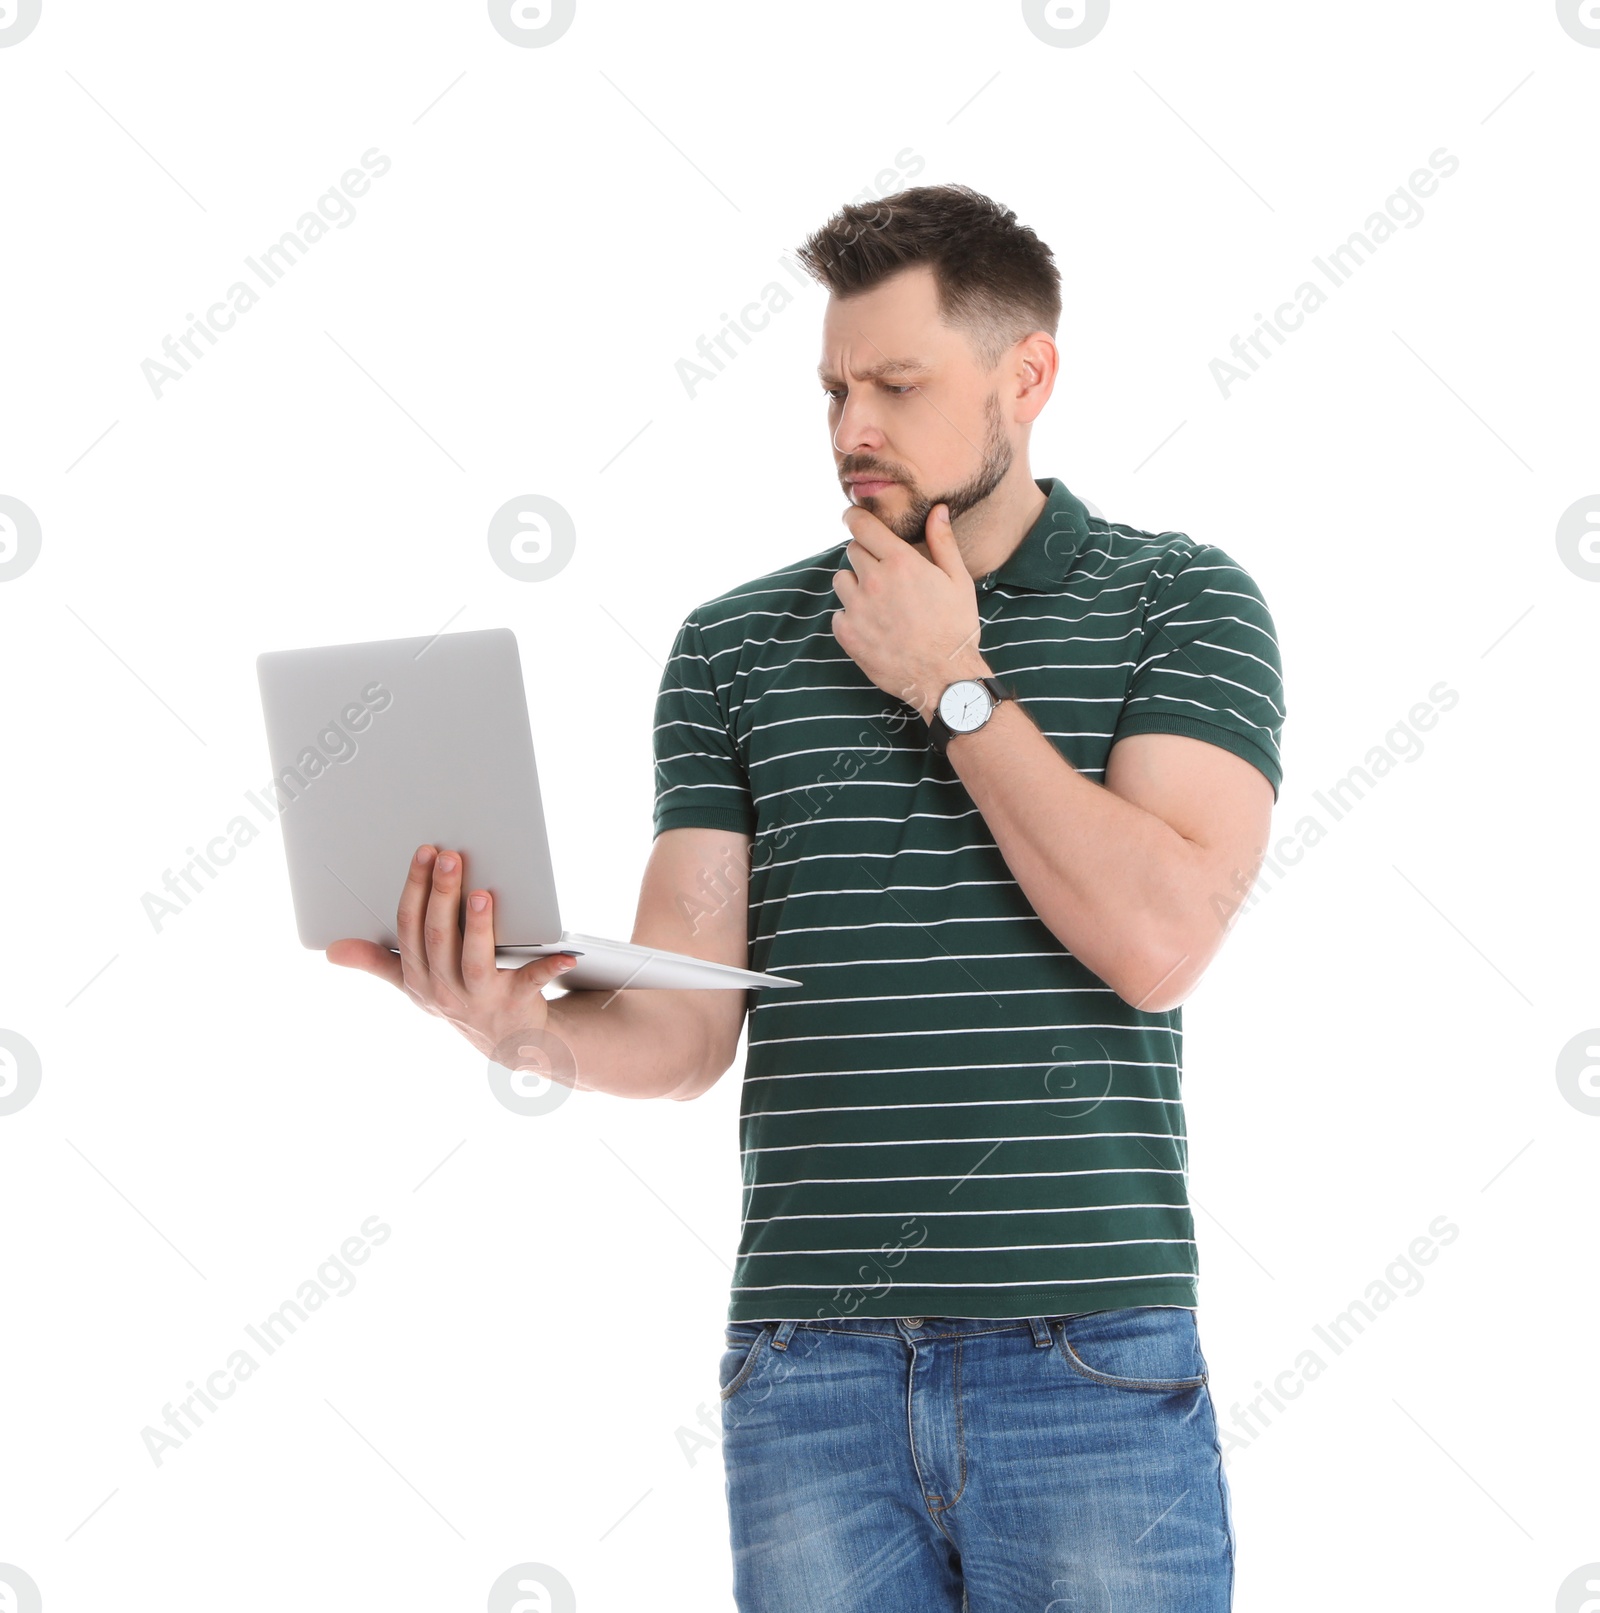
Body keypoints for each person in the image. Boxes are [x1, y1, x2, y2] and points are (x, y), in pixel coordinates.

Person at [330, 183, 1285, 1612]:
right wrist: (507, 1022)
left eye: (899, 384)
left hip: (1084, 1353)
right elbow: (681, 1026)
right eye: (836, 387)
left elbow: (1159, 941)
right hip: (810, 1373)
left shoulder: (1178, 601)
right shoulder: (736, 648)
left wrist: (952, 684)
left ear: (1027, 376)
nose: (853, 430)